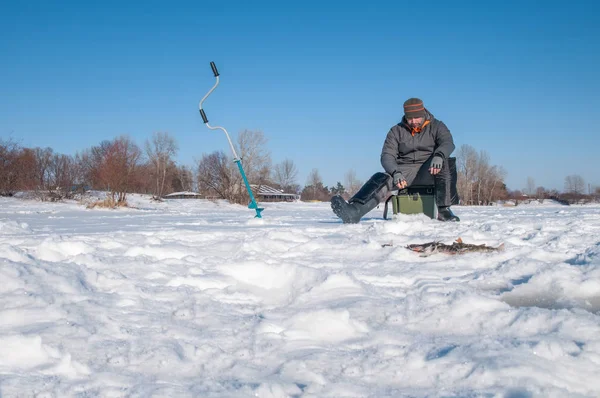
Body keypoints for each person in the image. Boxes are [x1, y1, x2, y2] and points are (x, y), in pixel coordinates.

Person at [331, 98, 460, 223]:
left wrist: (439, 155)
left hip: (429, 169)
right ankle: (355, 211)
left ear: (424, 113)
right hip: (403, 172)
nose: (413, 121)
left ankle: (444, 211)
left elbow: (448, 142)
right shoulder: (396, 131)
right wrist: (395, 172)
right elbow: (387, 155)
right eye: (410, 118)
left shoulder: (437, 126)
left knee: (446, 163)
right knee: (381, 177)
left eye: (417, 118)